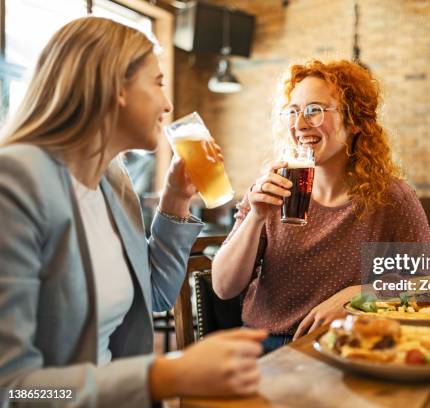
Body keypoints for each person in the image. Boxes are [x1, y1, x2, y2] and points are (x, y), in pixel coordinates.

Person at [0, 17, 266, 407]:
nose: (168, 103)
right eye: (158, 82)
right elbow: (16, 389)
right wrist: (165, 374)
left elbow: (156, 294)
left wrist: (176, 199)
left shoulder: (112, 178)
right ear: (116, 88)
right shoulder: (17, 180)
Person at [212, 59, 430, 353]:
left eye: (314, 110)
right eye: (293, 112)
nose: (300, 124)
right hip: (264, 346)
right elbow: (224, 287)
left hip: (347, 346)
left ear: (354, 120)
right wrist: (255, 218)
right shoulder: (272, 188)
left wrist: (359, 296)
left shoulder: (391, 197)